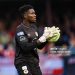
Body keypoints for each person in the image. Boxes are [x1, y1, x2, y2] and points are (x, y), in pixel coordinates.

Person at [14, 5, 60, 75]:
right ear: (25, 15)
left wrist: (47, 39)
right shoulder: (20, 29)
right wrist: (42, 39)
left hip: (34, 62)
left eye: (34, 13)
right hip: (23, 62)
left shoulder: (34, 28)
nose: (35, 15)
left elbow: (39, 46)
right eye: (32, 13)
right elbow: (25, 47)